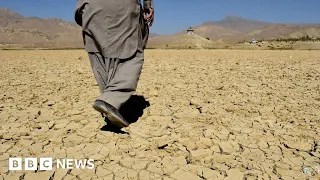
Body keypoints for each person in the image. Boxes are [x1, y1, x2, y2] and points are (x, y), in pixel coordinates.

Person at [74, 0, 154, 128]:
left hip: (88, 6)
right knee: (133, 54)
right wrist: (148, 6)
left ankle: (111, 104)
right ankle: (110, 99)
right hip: (122, 6)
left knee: (98, 51)